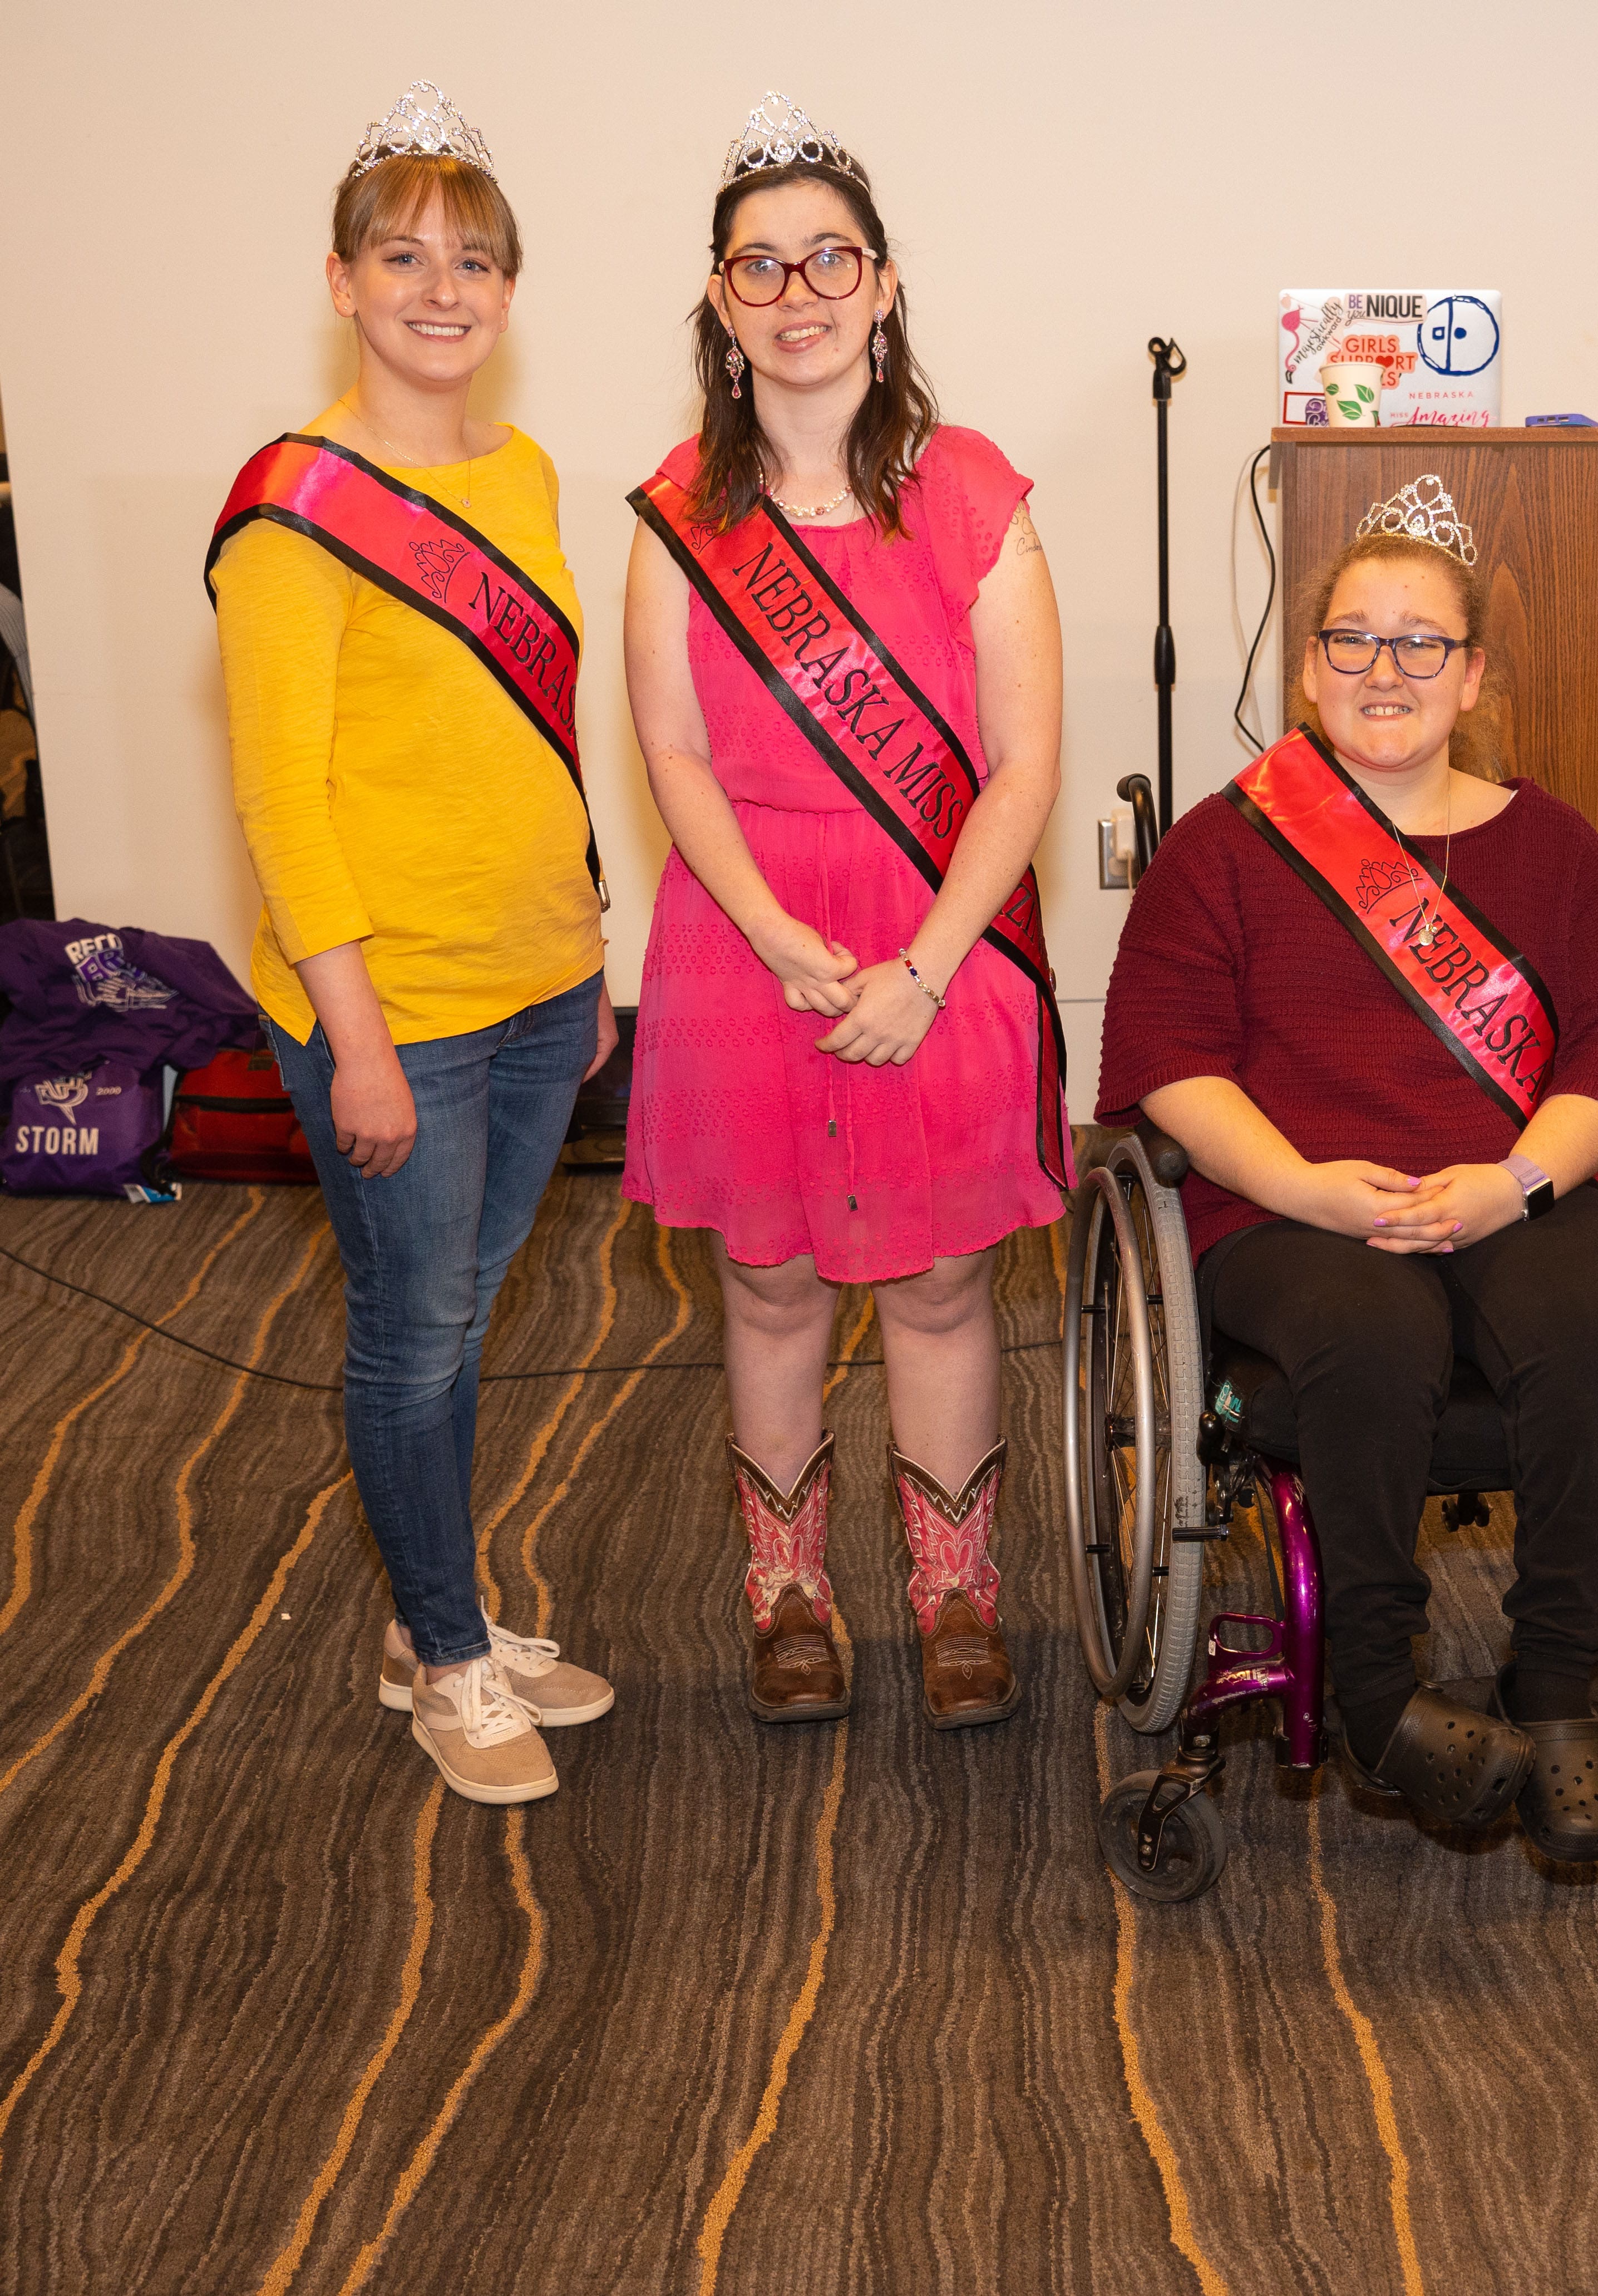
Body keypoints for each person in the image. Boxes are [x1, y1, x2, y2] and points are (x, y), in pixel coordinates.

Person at [1094, 477, 1598, 1864]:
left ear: (1471, 675)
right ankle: (1375, 1688)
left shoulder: (1556, 848)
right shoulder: (1222, 845)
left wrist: (1516, 1181)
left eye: (1421, 642)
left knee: (1588, 1316)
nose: (1384, 668)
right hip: (1288, 1200)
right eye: (1353, 639)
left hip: (1507, 1183)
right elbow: (1167, 1056)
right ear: (1308, 666)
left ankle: (1556, 1677)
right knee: (1370, 1328)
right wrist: (1303, 1186)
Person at [620, 95, 1066, 1731]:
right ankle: (790, 1595)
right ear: (722, 300)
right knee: (769, 1282)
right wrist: (773, 932)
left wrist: (924, 964)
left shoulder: (972, 490)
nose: (798, 291)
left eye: (830, 259)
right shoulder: (680, 509)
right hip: (745, 937)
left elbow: (1023, 765)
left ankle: (956, 1595)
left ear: (881, 282)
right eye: (762, 265)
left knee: (940, 1283)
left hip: (938, 931)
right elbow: (672, 749)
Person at [211, 84, 618, 1806]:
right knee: (411, 1331)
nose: (440, 290)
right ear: (341, 281)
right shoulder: (291, 510)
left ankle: (429, 1612)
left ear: (509, 291)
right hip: (396, 1009)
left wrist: (588, 945)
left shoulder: (521, 472)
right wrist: (357, 1036)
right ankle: (445, 1652)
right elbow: (281, 804)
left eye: (473, 261)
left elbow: (532, 733)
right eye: (402, 257)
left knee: (456, 1316)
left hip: (538, 982)